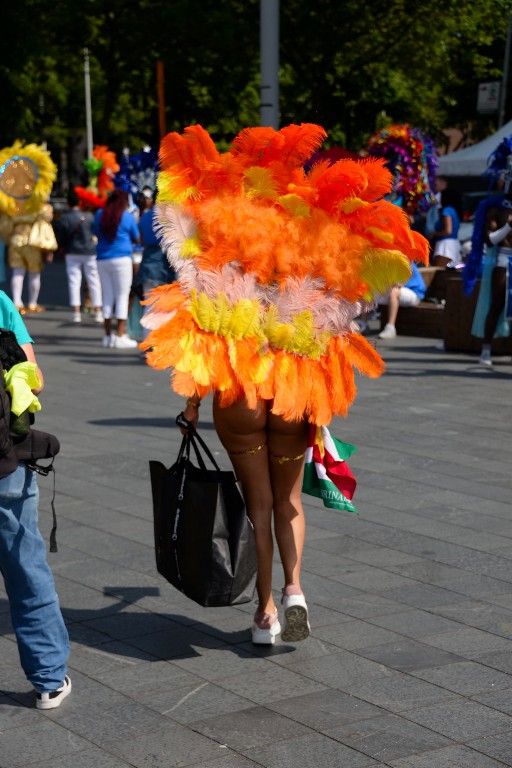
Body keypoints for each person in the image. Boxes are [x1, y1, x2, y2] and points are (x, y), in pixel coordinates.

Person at [142, 124, 428, 645]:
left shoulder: (225, 235)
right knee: (289, 500)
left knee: (257, 505)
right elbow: (337, 325)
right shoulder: (314, 234)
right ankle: (296, 589)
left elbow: (203, 333)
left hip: (242, 387)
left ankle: (266, 611)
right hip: (294, 387)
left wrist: (191, 406)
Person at [0, 290, 71, 708]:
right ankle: (48, 679)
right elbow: (34, 375)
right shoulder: (2, 303)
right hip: (5, 459)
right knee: (26, 564)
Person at [93, 189, 140, 349]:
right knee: (122, 296)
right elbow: (136, 237)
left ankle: (107, 336)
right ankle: (119, 336)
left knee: (107, 296)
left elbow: (96, 232)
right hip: (122, 259)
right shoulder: (127, 216)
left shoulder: (100, 214)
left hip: (102, 259)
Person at [55, 189, 103, 324]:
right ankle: (98, 311)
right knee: (94, 280)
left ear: (68, 203)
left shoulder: (64, 218)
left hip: (72, 252)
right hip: (89, 251)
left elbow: (61, 237)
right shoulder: (88, 216)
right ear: (79, 202)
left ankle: (75, 312)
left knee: (74, 281)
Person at [135, 188, 175, 342]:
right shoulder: (169, 218)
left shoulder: (145, 216)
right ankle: (155, 344)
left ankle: (147, 342)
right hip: (165, 267)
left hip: (147, 264)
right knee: (164, 308)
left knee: (149, 305)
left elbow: (142, 240)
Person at [477, 204, 512, 366]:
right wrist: (508, 226)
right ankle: (486, 349)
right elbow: (490, 240)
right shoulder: (496, 210)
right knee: (497, 304)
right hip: (504, 262)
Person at [377, 262, 427, 339]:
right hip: (398, 292)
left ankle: (390, 328)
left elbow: (399, 284)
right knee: (365, 291)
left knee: (394, 291)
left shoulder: (405, 260)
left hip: (415, 293)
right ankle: (364, 325)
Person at [429, 188, 462, 267]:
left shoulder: (447, 211)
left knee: (440, 272)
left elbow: (448, 231)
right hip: (453, 243)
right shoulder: (452, 210)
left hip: (445, 246)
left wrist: (433, 234)